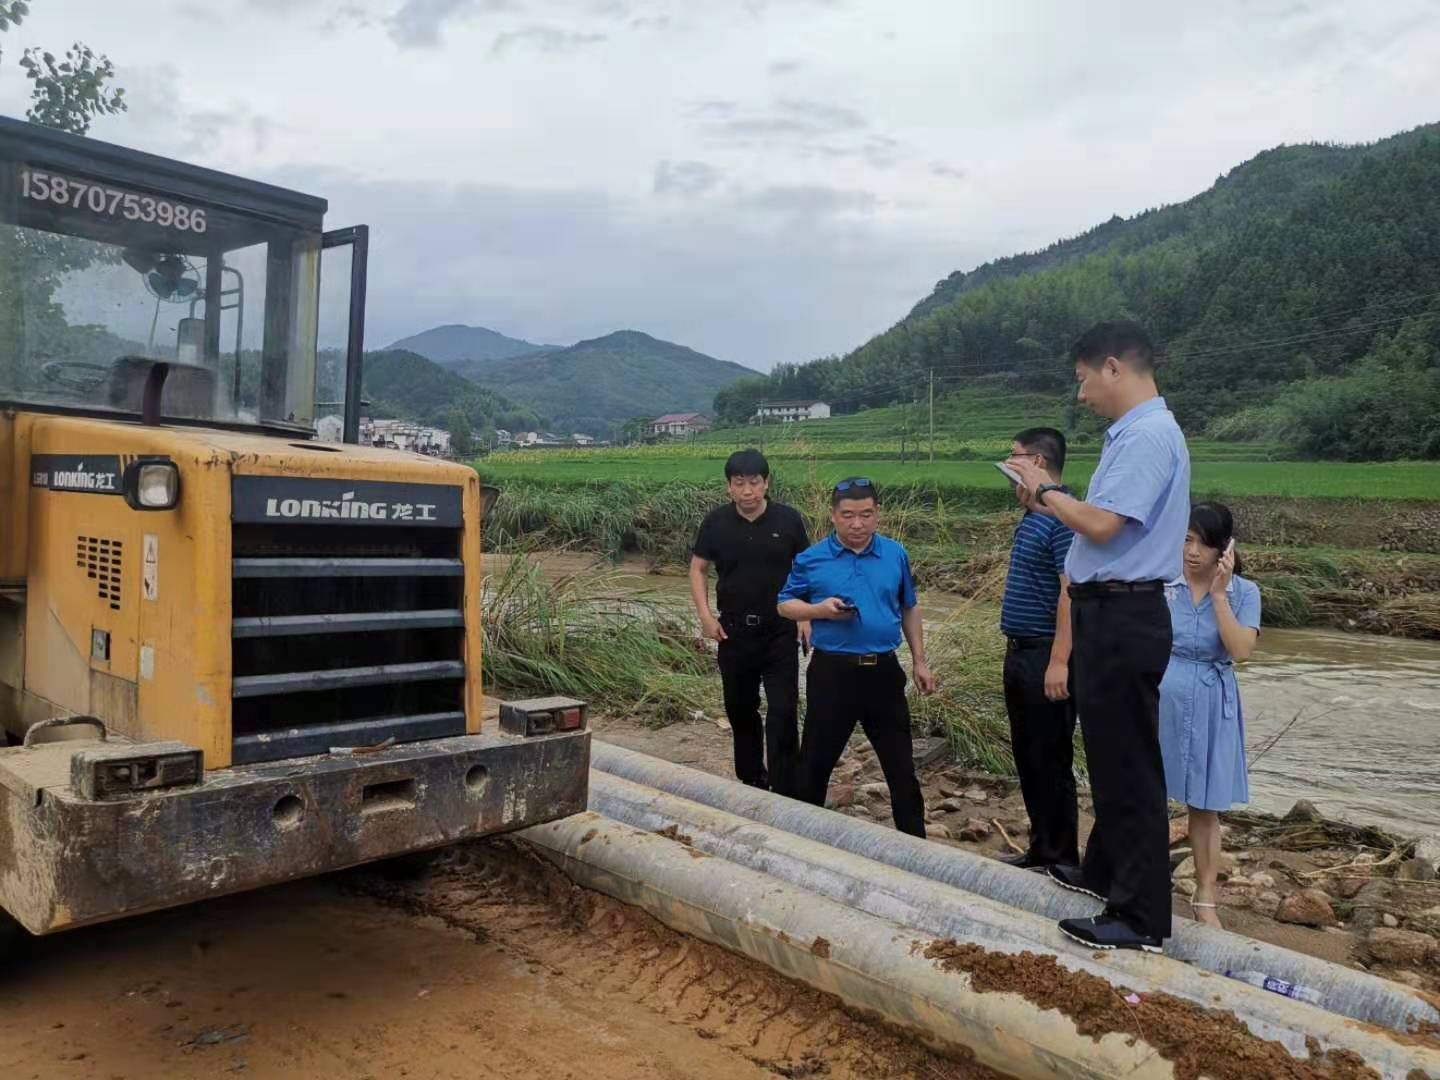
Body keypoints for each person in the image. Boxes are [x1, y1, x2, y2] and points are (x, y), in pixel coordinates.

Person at [1006, 320, 1190, 954]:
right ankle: (1108, 878)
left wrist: (1048, 489)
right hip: (1109, 612)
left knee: (1130, 768)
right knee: (1113, 760)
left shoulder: (1146, 436)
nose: (1081, 394)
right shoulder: (1134, 435)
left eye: (1083, 379)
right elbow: (1099, 522)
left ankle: (1139, 921)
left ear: (1112, 367)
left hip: (1122, 613)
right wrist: (1050, 499)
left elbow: (1105, 526)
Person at [777, 478, 936, 837]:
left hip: (884, 673)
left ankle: (917, 847)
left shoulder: (895, 554)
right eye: (848, 515)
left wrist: (920, 661)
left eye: (866, 514)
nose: (857, 524)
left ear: (878, 514)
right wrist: (819, 609)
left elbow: (910, 607)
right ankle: (805, 842)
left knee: (900, 768)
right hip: (832, 674)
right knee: (815, 764)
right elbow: (785, 604)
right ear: (833, 516)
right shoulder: (811, 558)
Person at [1160, 502, 1261, 928]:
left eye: (1204, 542)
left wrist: (1219, 596)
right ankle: (1136, 883)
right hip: (1163, 692)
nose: (1193, 551)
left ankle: (1205, 897)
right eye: (1187, 539)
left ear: (1224, 549)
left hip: (1211, 697)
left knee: (1204, 806)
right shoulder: (1164, 585)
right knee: (1148, 792)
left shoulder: (1245, 593)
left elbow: (1240, 650)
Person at [691, 449, 811, 795]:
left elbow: (805, 569)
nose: (747, 491)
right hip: (732, 630)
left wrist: (805, 616)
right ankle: (752, 779)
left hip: (779, 630)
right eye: (739, 483)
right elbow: (698, 569)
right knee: (740, 708)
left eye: (754, 483)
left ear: (766, 483)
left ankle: (786, 783)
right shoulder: (715, 522)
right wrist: (704, 616)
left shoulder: (788, 520)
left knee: (784, 707)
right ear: (729, 486)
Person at [999, 427, 1078, 872]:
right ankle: (1041, 847)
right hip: (1022, 651)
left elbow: (1071, 592)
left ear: (1039, 463)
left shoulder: (1064, 519)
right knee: (1030, 755)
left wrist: (1060, 660)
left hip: (1046, 654)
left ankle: (1062, 857)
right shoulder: (1037, 513)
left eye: (1015, 459)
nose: (1009, 468)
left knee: (1051, 757)